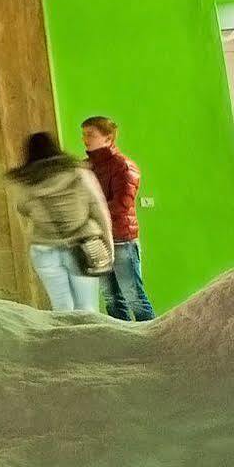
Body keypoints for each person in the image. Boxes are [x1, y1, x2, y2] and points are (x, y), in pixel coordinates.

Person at [8, 131, 113, 313]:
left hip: (44, 248)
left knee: (62, 307)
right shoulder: (79, 173)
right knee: (87, 309)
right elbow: (99, 210)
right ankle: (88, 342)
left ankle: (66, 341)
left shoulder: (26, 182)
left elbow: (22, 208)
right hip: (82, 245)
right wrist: (108, 243)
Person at [82, 116, 154, 321]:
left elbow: (122, 204)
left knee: (134, 297)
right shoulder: (87, 167)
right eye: (84, 134)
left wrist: (90, 215)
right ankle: (123, 342)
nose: (85, 139)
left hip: (122, 238)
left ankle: (152, 341)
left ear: (108, 138)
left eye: (91, 134)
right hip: (99, 240)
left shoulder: (123, 166)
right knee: (111, 299)